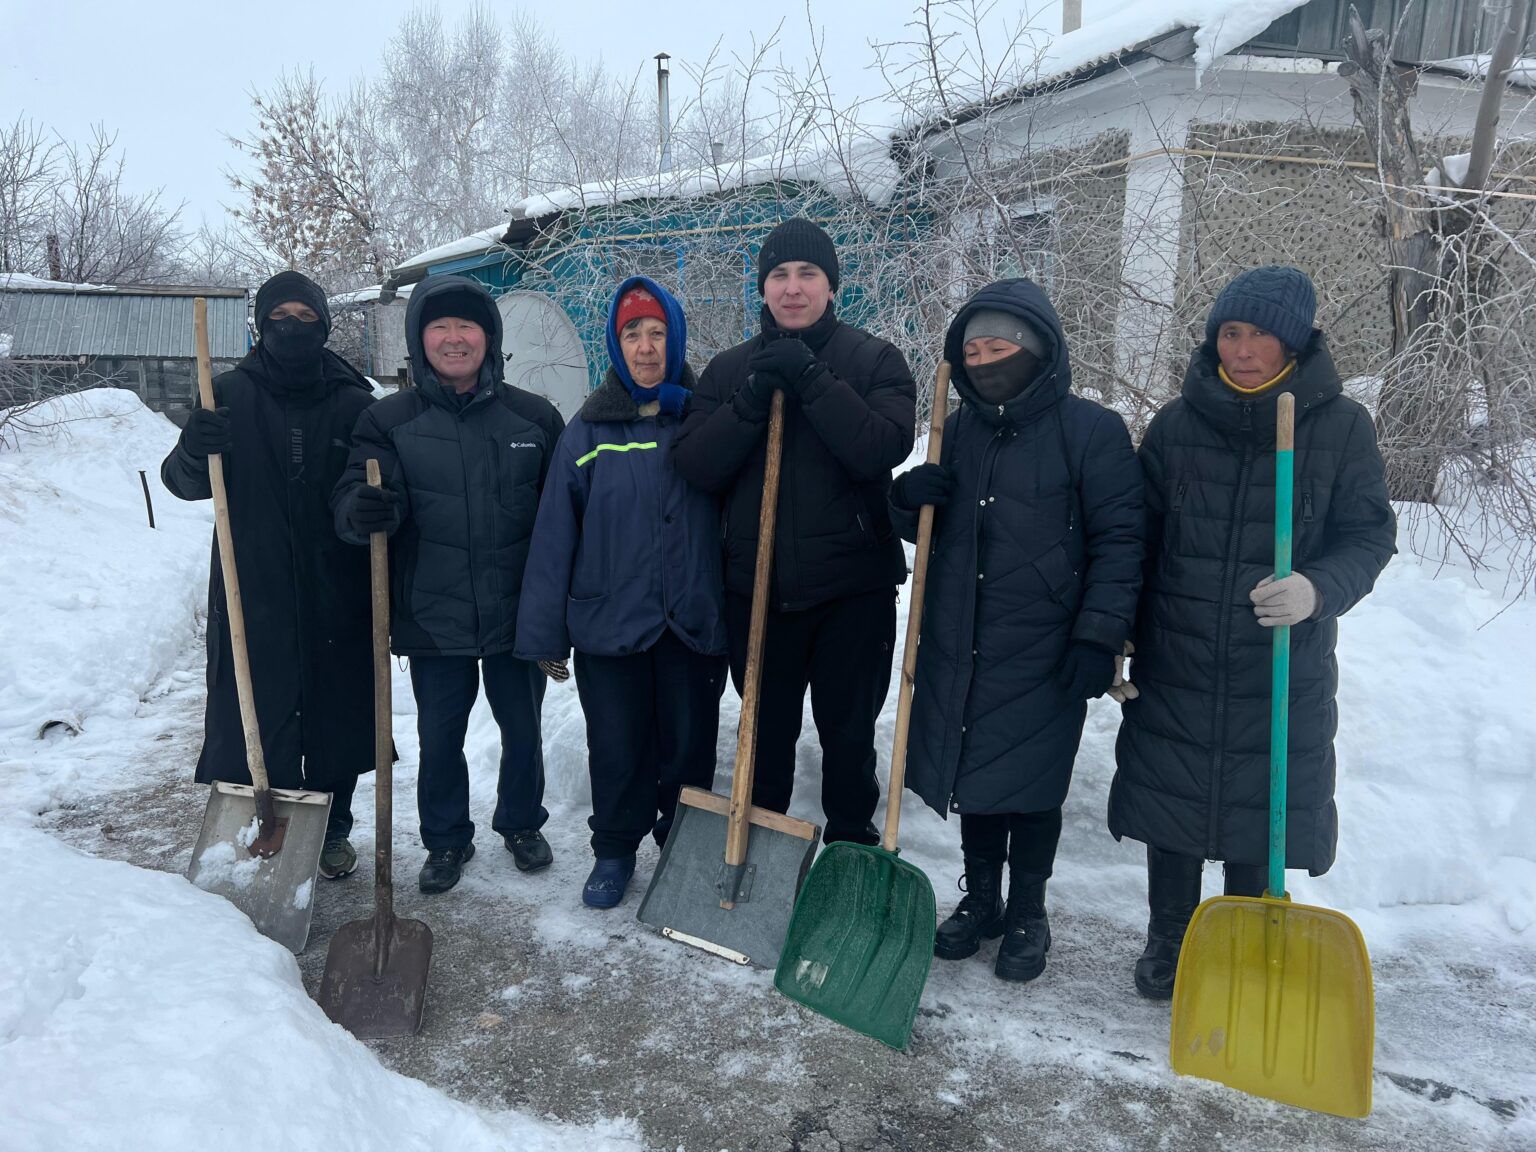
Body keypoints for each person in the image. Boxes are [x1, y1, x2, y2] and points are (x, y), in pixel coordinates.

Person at [1109, 265, 1396, 998]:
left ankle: (1245, 929)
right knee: (1172, 797)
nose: (1242, 349)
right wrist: (1121, 630)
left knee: (1257, 795)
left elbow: (1368, 535)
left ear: (1293, 341)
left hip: (1279, 656)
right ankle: (1170, 935)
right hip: (1178, 646)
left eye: (1260, 334)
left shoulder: (1338, 427)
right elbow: (1137, 535)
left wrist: (1318, 589)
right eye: (1230, 333)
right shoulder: (1178, 423)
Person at [891, 279, 1143, 983]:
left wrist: (1100, 633)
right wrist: (905, 501)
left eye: (998, 347)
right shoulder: (958, 429)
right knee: (976, 776)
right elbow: (929, 521)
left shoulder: (1091, 431)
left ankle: (1029, 909)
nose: (983, 360)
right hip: (961, 637)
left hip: (1044, 644)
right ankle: (985, 901)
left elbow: (1121, 539)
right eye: (971, 350)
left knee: (1031, 783)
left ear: (1037, 350)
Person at [673, 218, 916, 846]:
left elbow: (878, 448)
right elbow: (696, 463)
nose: (792, 288)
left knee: (848, 733)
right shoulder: (728, 372)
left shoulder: (873, 360)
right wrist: (754, 397)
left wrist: (810, 379)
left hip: (852, 592)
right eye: (779, 275)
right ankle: (761, 847)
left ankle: (849, 845)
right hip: (755, 591)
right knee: (764, 733)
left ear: (831, 286)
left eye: (807, 274)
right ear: (762, 289)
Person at [332, 275, 565, 895]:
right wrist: (362, 509)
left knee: (524, 730)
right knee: (440, 738)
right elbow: (352, 493)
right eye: (440, 326)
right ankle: (445, 840)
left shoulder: (535, 418)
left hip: (518, 613)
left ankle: (521, 823)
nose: (455, 338)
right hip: (432, 613)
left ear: (489, 338)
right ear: (419, 339)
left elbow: (565, 516)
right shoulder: (387, 421)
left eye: (468, 326)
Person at [516, 277, 728, 909]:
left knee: (689, 744)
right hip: (610, 625)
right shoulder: (588, 430)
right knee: (616, 744)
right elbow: (556, 533)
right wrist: (546, 634)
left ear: (676, 338)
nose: (645, 346)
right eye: (632, 333)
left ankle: (683, 848)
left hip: (690, 620)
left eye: (657, 333)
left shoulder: (704, 419)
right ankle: (614, 849)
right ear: (614, 343)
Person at [162, 270, 375, 880]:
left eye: (307, 319)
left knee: (336, 707)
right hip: (251, 579)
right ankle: (267, 823)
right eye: (281, 317)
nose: (294, 328)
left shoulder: (352, 398)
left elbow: (371, 473)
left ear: (325, 326)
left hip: (336, 580)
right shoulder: (225, 392)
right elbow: (183, 484)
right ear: (260, 325)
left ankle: (333, 828)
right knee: (257, 699)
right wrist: (193, 449)